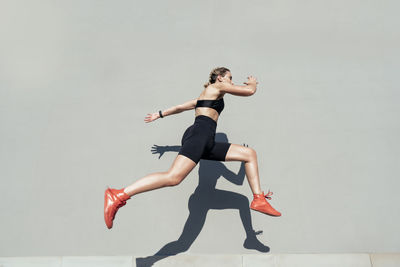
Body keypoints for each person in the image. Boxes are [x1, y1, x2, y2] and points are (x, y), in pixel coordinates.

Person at [104, 67, 281, 229]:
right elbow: (249, 91)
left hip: (206, 140)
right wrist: (252, 83)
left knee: (249, 154)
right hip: (200, 134)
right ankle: (119, 194)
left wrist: (159, 115)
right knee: (173, 178)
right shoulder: (216, 88)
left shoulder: (206, 96)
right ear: (219, 78)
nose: (232, 82)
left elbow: (180, 107)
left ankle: (258, 199)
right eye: (230, 78)